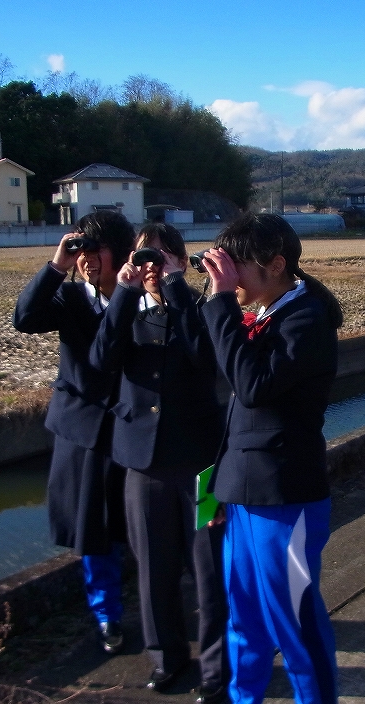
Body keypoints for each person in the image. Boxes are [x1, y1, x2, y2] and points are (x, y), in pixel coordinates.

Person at [198, 213, 342, 704]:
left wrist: (221, 302)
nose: (229, 278)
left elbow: (253, 388)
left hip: (286, 499)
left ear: (277, 264)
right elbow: (234, 403)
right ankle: (244, 698)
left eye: (237, 266)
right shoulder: (262, 312)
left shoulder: (305, 320)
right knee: (245, 617)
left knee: (294, 621)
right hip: (244, 492)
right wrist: (220, 490)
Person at [89, 222, 227, 700]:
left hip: (201, 469)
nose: (153, 264)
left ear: (182, 261)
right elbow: (101, 361)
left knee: (209, 575)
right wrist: (126, 292)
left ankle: (215, 671)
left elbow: (206, 359)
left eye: (165, 255)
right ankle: (166, 658)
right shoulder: (123, 310)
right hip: (142, 467)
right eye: (145, 255)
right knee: (153, 571)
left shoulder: (203, 308)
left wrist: (174, 285)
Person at [13, 210, 135, 654]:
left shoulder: (141, 299)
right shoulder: (69, 298)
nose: (85, 259)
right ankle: (107, 616)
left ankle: (153, 597)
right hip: (82, 429)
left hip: (132, 425)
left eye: (93, 249)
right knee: (91, 527)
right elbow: (25, 318)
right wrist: (56, 265)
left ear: (119, 253)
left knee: (137, 520)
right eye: (79, 249)